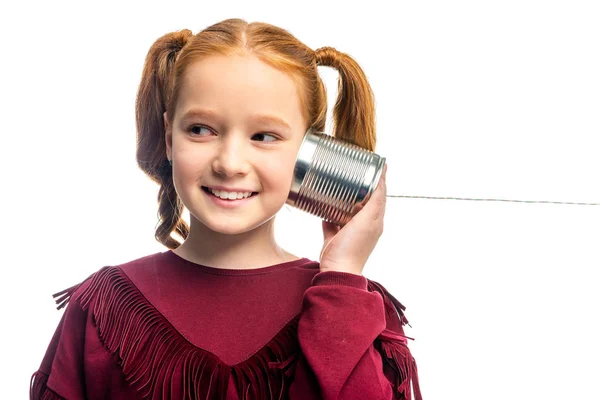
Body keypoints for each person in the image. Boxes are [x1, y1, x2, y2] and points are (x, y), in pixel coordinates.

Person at [30, 18, 421, 400]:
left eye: (264, 136)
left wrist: (342, 278)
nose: (230, 163)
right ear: (169, 138)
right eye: (200, 129)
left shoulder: (353, 304)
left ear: (312, 152)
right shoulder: (104, 309)